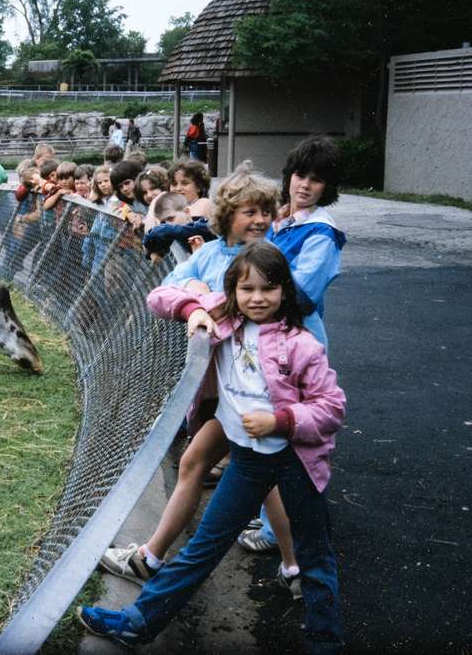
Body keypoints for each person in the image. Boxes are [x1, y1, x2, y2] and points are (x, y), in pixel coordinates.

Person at [78, 242, 345, 653]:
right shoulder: (226, 321)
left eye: (269, 289)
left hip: (296, 464)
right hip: (247, 462)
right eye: (247, 289)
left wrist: (280, 421)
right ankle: (137, 622)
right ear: (233, 291)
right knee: (202, 548)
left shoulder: (301, 343)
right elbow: (159, 297)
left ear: (284, 292)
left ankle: (325, 640)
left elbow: (331, 408)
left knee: (314, 556)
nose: (257, 298)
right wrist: (194, 310)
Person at [97, 162, 280, 592]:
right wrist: (190, 304)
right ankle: (297, 568)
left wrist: (208, 298)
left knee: (250, 474)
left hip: (259, 393)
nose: (259, 220)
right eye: (249, 211)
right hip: (224, 393)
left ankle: (153, 559)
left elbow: (277, 308)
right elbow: (159, 294)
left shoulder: (272, 258)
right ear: (227, 214)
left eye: (265, 212)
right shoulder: (210, 255)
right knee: (227, 468)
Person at [237, 136, 347, 575]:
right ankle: (274, 520)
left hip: (298, 339)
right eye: (300, 175)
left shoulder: (321, 232)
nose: (304, 185)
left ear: (327, 187)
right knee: (273, 427)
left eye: (316, 180)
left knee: (294, 434)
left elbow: (301, 294)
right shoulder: (284, 222)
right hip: (273, 334)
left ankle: (285, 531)